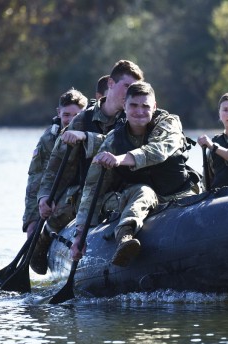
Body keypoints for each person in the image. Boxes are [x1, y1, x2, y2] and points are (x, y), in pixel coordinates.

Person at [70, 81, 202, 267]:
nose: (139, 111)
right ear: (124, 106)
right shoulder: (113, 141)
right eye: (133, 105)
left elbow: (158, 150)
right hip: (139, 197)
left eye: (145, 106)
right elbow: (93, 187)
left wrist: (120, 159)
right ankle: (125, 237)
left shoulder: (169, 124)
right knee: (143, 191)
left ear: (154, 107)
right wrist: (80, 234)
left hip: (179, 194)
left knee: (146, 191)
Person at [31, 60, 144, 275]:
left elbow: (121, 143)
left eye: (136, 88)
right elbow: (56, 164)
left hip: (122, 187)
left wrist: (87, 138)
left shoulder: (134, 116)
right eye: (127, 87)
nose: (132, 94)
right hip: (87, 191)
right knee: (63, 207)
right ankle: (44, 238)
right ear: (110, 83)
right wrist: (44, 196)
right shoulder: (83, 119)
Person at [22, 88, 88, 239]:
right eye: (66, 115)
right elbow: (36, 178)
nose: (71, 120)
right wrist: (32, 219)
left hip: (81, 194)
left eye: (77, 115)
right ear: (58, 112)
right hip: (53, 195)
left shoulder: (93, 134)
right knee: (34, 231)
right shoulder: (48, 139)